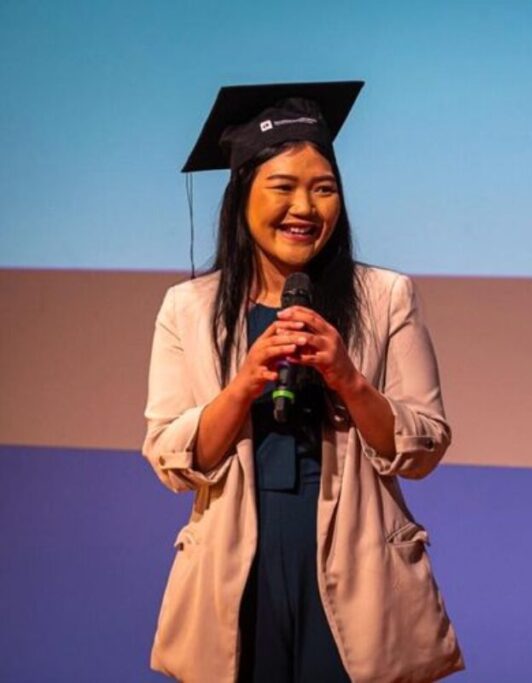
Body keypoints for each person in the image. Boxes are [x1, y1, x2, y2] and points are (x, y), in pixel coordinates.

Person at [142, 82, 463, 683]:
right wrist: (243, 386)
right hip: (236, 568)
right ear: (242, 194)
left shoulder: (386, 297)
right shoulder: (188, 308)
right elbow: (169, 458)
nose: (305, 208)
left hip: (360, 567)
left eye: (323, 189)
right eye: (283, 187)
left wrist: (349, 379)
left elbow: (425, 446)